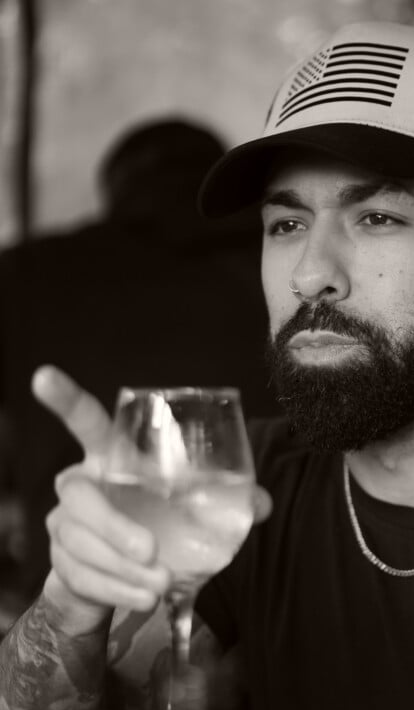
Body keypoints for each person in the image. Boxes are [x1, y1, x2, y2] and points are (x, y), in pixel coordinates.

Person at [1, 19, 414, 710]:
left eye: (377, 217)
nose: (311, 273)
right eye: (286, 225)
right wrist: (72, 603)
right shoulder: (229, 487)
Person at [0, 117, 278, 618]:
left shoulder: (29, 273)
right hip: (283, 599)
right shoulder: (284, 263)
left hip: (84, 599)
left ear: (117, 190)